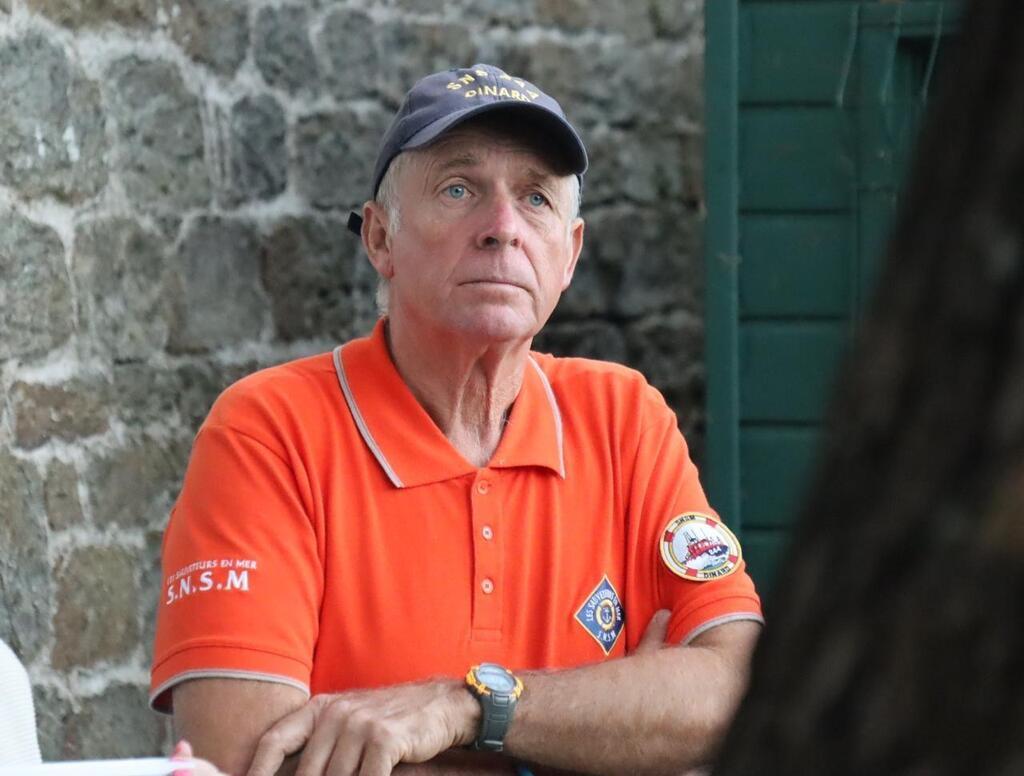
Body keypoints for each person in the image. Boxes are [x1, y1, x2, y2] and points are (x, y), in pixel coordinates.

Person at [150, 63, 764, 776]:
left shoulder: (625, 418)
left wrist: (468, 708)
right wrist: (609, 726)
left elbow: (739, 693)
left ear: (569, 255)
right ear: (380, 240)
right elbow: (247, 757)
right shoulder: (268, 431)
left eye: (535, 197)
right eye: (458, 189)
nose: (502, 228)